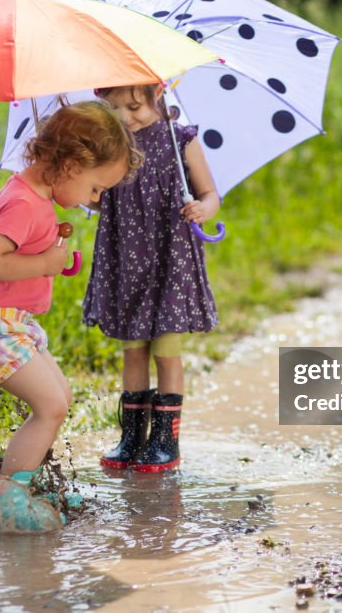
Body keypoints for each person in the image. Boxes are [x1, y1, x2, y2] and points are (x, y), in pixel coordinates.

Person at [0, 101, 143, 526]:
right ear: (71, 164)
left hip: (11, 320)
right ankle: (8, 496)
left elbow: (22, 256)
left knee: (61, 398)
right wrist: (43, 265)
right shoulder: (24, 203)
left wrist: (55, 260)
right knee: (51, 405)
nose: (94, 201)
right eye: (95, 189)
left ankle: (14, 476)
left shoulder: (36, 200)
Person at [83, 84, 220, 473]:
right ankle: (132, 437)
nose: (126, 116)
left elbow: (211, 193)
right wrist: (86, 187)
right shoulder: (110, 146)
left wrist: (202, 208)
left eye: (134, 106)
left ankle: (165, 441)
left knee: (166, 350)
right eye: (114, 108)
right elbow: (94, 197)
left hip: (169, 260)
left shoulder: (182, 141)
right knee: (133, 349)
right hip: (126, 258)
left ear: (158, 92)